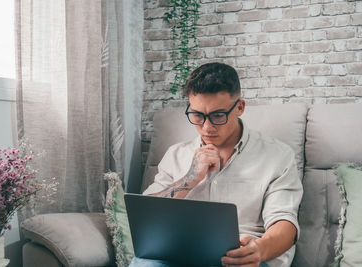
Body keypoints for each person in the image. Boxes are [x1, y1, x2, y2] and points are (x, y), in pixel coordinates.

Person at [130, 62, 303, 267]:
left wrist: (259, 249)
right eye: (197, 115)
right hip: (177, 256)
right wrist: (189, 179)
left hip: (242, 259)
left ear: (240, 107)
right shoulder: (176, 154)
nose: (206, 127)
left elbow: (285, 223)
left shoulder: (277, 155)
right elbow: (147, 216)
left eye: (218, 115)